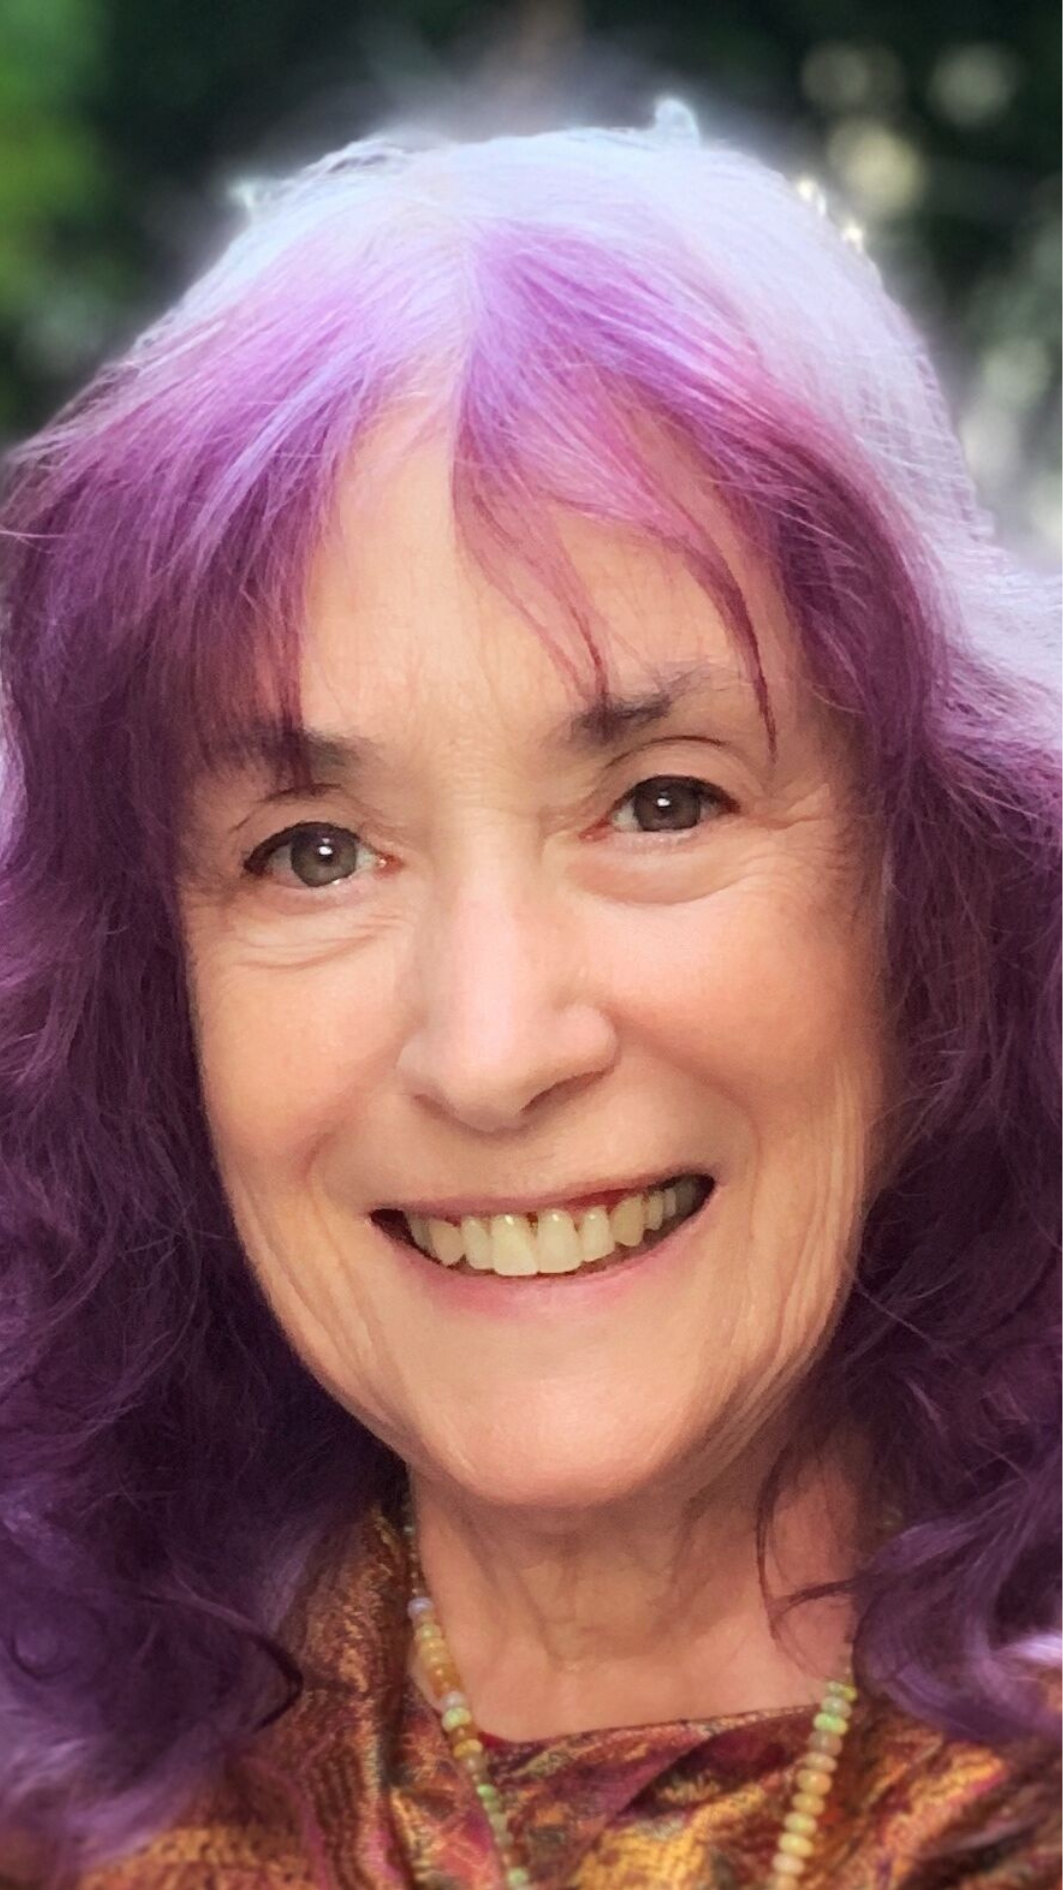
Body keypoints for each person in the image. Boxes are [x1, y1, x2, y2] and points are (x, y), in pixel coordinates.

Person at [0, 99, 1059, 1890]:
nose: (491, 1049)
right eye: (315, 850)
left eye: (662, 803)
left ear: (936, 893)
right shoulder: (64, 1814)